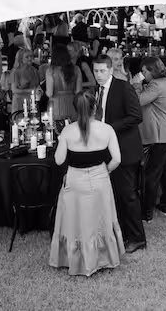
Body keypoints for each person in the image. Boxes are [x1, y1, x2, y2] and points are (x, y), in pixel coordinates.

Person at [49, 91, 124, 276]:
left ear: (76, 109)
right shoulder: (107, 130)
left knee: (76, 221)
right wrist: (105, 171)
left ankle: (74, 258)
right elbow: (117, 159)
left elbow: (59, 161)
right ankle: (103, 257)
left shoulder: (68, 131)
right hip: (99, 179)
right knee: (100, 219)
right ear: (95, 108)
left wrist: (61, 142)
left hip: (75, 180)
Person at [91, 54, 145, 253]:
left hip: (125, 149)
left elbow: (136, 116)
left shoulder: (124, 88)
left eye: (102, 71)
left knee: (127, 195)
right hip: (108, 150)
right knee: (116, 193)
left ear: (111, 70)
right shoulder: (96, 90)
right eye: (96, 71)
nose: (99, 75)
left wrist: (108, 128)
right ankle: (121, 232)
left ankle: (138, 237)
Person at [132, 57, 166, 220]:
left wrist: (136, 84)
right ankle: (165, 205)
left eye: (144, 71)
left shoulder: (156, 85)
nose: (142, 74)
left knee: (151, 175)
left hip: (158, 136)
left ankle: (146, 212)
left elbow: (138, 101)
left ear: (152, 70)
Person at [46, 45, 82, 125]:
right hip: (71, 104)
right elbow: (78, 91)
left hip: (56, 106)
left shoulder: (50, 71)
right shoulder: (76, 69)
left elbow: (49, 93)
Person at [8, 49, 41, 114]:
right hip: (19, 101)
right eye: (27, 57)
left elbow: (37, 85)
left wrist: (39, 90)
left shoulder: (34, 70)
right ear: (20, 59)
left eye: (31, 56)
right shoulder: (15, 71)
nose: (30, 59)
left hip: (32, 101)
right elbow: (14, 90)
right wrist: (31, 90)